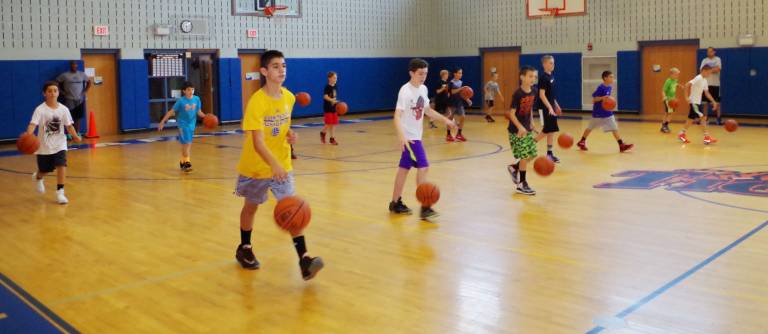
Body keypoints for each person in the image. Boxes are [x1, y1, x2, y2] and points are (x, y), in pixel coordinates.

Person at [234, 50, 324, 280]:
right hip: (256, 166)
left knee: (292, 208)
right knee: (251, 207)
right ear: (264, 71)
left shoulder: (289, 97)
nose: (281, 70)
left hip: (281, 164)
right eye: (275, 66)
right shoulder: (257, 102)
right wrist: (273, 165)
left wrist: (290, 135)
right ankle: (244, 248)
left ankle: (304, 259)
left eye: (283, 65)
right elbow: (257, 141)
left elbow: (282, 128)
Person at [388, 58, 457, 220]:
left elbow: (428, 111)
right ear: (411, 73)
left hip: (415, 136)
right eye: (420, 73)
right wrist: (401, 136)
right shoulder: (405, 91)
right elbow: (397, 116)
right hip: (410, 139)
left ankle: (395, 203)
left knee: (403, 170)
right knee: (424, 167)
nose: (423, 76)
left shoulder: (423, 89)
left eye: (425, 73)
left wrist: (446, 120)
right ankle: (425, 207)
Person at [27, 81, 82, 204]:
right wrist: (28, 135)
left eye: (55, 90)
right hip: (44, 146)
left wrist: (75, 136)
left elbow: (69, 126)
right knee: (45, 170)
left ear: (58, 93)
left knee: (61, 165)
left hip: (60, 144)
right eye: (49, 91)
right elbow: (32, 124)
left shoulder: (64, 109)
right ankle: (38, 177)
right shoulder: (40, 110)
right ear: (44, 93)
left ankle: (60, 192)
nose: (52, 93)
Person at [577, 71, 634, 153]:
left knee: (614, 128)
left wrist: (609, 103)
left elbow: (606, 100)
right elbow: (594, 100)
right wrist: (602, 97)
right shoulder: (601, 88)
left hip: (607, 112)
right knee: (590, 127)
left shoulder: (609, 87)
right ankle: (582, 141)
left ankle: (621, 145)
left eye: (612, 77)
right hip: (598, 113)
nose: (612, 78)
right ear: (605, 78)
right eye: (610, 77)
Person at [158, 81, 206, 172]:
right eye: (188, 90)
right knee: (187, 143)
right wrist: (162, 121)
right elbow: (171, 112)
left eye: (192, 89)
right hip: (182, 125)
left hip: (192, 124)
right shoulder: (181, 101)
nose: (191, 91)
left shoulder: (197, 99)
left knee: (186, 145)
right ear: (184, 91)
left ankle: (182, 161)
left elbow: (199, 112)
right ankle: (187, 162)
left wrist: (206, 117)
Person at [505, 66, 539, 196]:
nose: (532, 79)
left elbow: (529, 108)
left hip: (527, 128)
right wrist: (520, 127)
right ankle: (522, 184)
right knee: (524, 156)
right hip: (516, 131)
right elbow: (511, 114)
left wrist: (531, 122)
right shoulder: (517, 94)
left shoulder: (533, 91)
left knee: (532, 154)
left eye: (534, 77)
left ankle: (514, 167)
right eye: (530, 76)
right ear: (522, 77)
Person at [678, 65, 719, 145]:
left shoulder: (705, 80)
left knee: (690, 119)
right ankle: (707, 138)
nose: (709, 74)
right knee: (703, 117)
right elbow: (687, 85)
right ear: (703, 71)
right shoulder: (698, 78)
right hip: (693, 102)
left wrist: (713, 101)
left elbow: (707, 93)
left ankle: (681, 134)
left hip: (697, 102)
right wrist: (686, 97)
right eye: (709, 73)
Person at [534, 55, 562, 163]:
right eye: (550, 63)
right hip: (544, 108)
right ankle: (530, 144)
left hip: (551, 108)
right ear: (544, 64)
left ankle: (549, 154)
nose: (553, 65)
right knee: (547, 130)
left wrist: (556, 105)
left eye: (553, 63)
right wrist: (550, 107)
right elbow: (542, 95)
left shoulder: (552, 76)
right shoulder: (543, 78)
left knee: (552, 130)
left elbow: (551, 95)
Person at [56, 60, 92, 135]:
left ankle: (77, 132)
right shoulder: (65, 75)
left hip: (79, 99)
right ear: (70, 66)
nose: (74, 66)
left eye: (75, 65)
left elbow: (89, 82)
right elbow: (56, 83)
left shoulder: (82, 74)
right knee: (69, 117)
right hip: (69, 99)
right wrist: (61, 92)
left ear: (77, 65)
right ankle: (70, 133)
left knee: (78, 117)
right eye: (72, 65)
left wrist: (85, 91)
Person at [446, 68, 471, 142]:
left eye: (461, 73)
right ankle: (448, 135)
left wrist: (467, 99)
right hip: (451, 103)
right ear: (455, 74)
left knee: (463, 116)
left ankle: (459, 134)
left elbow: (462, 93)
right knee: (450, 119)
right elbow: (452, 92)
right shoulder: (451, 83)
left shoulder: (461, 82)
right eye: (459, 73)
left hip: (459, 103)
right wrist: (461, 88)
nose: (461, 74)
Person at [700, 47, 723, 125]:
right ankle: (705, 119)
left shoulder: (718, 59)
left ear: (714, 52)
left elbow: (718, 69)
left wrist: (708, 70)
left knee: (717, 102)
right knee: (705, 103)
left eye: (710, 51)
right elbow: (702, 70)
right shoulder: (704, 60)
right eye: (708, 51)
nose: (708, 53)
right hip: (706, 84)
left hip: (715, 84)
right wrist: (712, 69)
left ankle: (718, 119)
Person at [660, 68, 683, 133]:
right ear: (671, 74)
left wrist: (680, 86)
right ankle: (665, 126)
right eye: (676, 75)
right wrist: (664, 97)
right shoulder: (668, 81)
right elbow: (663, 90)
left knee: (668, 113)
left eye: (678, 75)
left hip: (673, 99)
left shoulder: (675, 80)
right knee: (669, 113)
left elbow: (676, 84)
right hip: (668, 99)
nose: (677, 76)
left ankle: (664, 126)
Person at [320, 71, 340, 145]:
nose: (335, 79)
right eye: (334, 77)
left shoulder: (335, 86)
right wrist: (332, 100)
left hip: (333, 107)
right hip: (328, 107)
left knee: (333, 124)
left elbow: (334, 96)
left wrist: (336, 102)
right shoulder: (327, 87)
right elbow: (325, 96)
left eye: (336, 78)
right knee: (328, 123)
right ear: (329, 78)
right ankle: (322, 133)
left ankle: (332, 138)